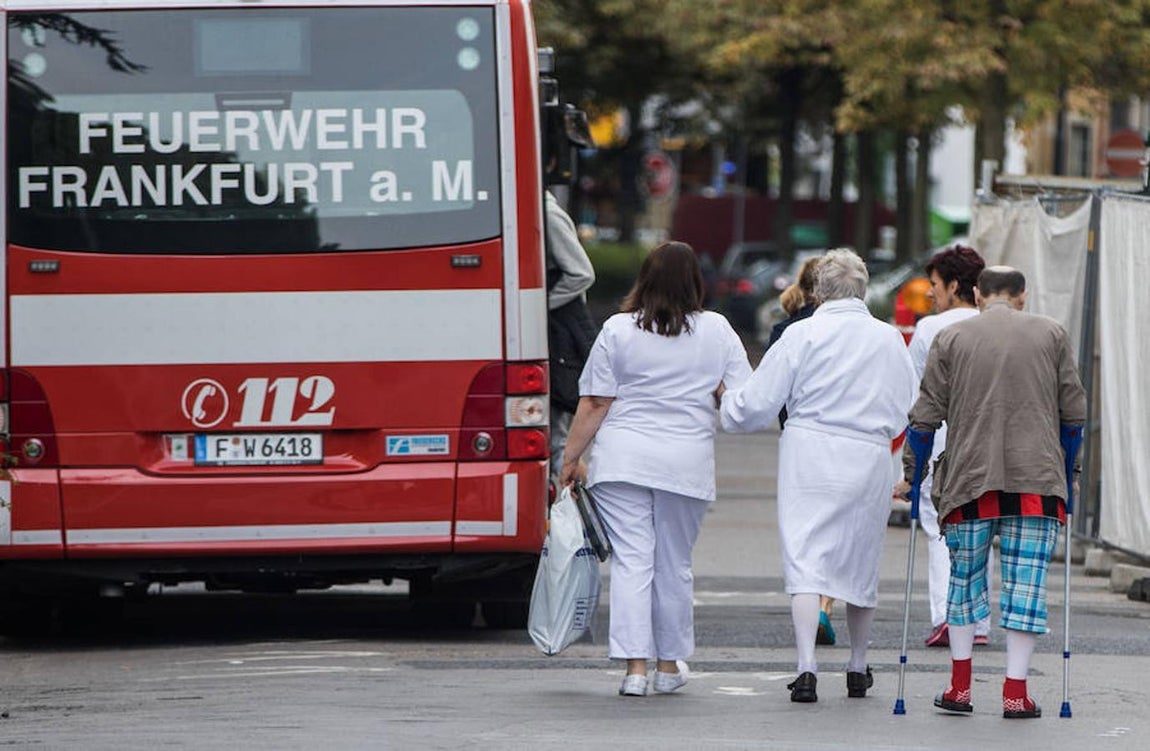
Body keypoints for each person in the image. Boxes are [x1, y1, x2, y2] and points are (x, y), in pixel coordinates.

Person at [719, 248, 917, 703]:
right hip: (867, 453)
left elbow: (758, 403)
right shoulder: (888, 340)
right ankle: (857, 664)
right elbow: (909, 403)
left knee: (807, 560)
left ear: (819, 290)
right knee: (861, 560)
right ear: (863, 289)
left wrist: (728, 404)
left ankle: (806, 666)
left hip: (809, 450)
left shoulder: (802, 334)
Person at [558, 241, 752, 697]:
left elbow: (595, 402)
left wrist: (570, 459)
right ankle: (669, 665)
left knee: (632, 563)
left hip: (622, 459)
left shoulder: (617, 329)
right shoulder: (718, 331)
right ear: (696, 282)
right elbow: (742, 397)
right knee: (674, 565)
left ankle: (635, 671)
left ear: (643, 278)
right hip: (686, 462)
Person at [905, 266, 1086, 719]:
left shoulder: (952, 338)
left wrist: (914, 474)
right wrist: (1070, 472)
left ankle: (960, 689)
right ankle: (1015, 692)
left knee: (964, 583)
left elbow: (925, 417)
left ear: (979, 296)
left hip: (969, 480)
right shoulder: (1052, 334)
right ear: (1023, 295)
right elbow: (1074, 415)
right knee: (1027, 586)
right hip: (1037, 484)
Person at [897, 245, 992, 649]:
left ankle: (948, 617)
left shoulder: (931, 330)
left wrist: (907, 466)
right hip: (991, 441)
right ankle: (981, 621)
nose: (930, 293)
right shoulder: (995, 325)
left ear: (955, 285)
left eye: (935, 285)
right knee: (985, 527)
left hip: (943, 441)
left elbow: (917, 393)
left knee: (939, 527)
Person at [766, 256, 839, 647]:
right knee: (837, 530)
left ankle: (811, 610)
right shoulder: (850, 329)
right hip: (845, 442)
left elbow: (775, 391)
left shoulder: (785, 329)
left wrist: (788, 427)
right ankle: (827, 604)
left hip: (799, 439)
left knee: (806, 532)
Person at [545, 190, 597, 479]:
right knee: (555, 438)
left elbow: (581, 273)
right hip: (556, 337)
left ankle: (578, 512)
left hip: (559, 339)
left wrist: (537, 307)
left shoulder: (547, 214)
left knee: (558, 439)